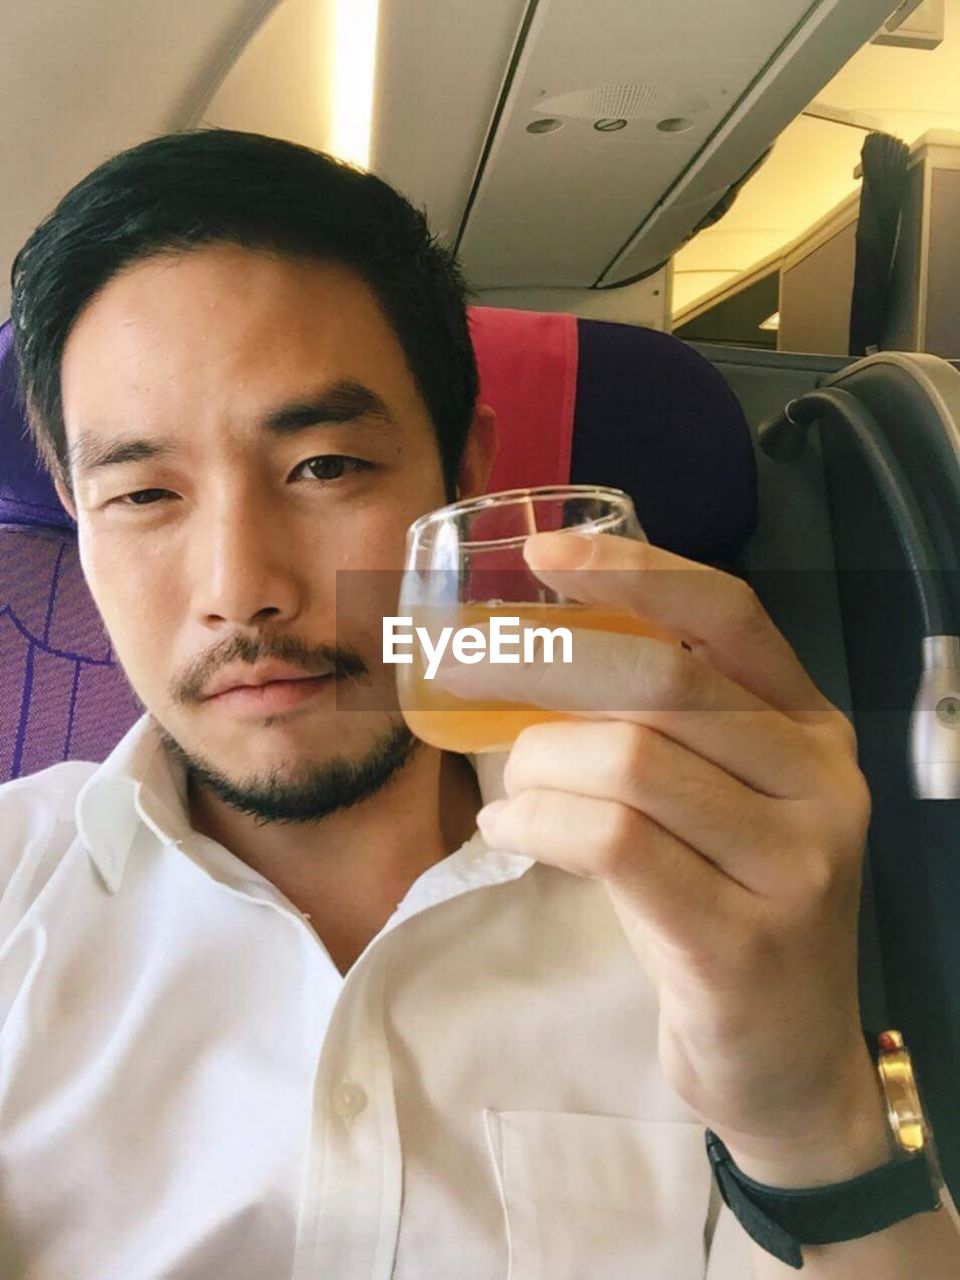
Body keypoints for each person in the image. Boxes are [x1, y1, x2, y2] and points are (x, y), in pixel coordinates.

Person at [0, 129, 956, 1279]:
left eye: (326, 468)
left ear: (466, 478)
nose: (238, 588)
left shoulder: (716, 895)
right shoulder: (17, 888)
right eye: (144, 492)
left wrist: (809, 1117)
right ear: (72, 511)